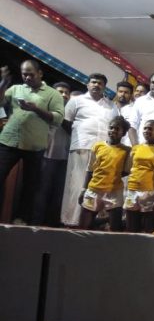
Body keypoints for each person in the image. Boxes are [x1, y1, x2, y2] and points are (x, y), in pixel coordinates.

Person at [0, 60, 64, 225]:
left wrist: (35, 109)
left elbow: (57, 118)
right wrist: (3, 84)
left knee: (30, 186)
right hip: (8, 141)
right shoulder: (15, 89)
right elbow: (1, 104)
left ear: (40, 73)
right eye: (24, 74)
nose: (27, 77)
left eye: (30, 74)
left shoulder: (52, 94)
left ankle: (21, 219)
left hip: (34, 146)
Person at [60, 73, 120, 227]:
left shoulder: (111, 106)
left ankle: (93, 222)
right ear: (87, 85)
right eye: (93, 82)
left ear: (104, 87)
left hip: (103, 153)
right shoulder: (76, 101)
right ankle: (71, 221)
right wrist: (78, 135)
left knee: (98, 187)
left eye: (100, 83)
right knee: (76, 185)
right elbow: (66, 122)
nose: (96, 85)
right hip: (81, 146)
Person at [78, 116, 131, 231]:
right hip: (94, 190)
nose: (113, 131)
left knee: (114, 229)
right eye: (111, 128)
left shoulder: (127, 151)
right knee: (83, 227)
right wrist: (83, 189)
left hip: (114, 192)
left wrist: (111, 175)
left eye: (117, 129)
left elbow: (126, 171)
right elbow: (90, 169)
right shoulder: (98, 146)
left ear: (124, 133)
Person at [34, 81, 71, 226]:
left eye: (66, 93)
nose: (64, 95)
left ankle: (52, 224)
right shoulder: (42, 107)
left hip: (64, 158)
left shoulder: (71, 111)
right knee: (41, 191)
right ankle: (35, 222)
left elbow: (72, 130)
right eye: (60, 91)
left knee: (58, 194)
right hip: (44, 156)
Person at [124, 120, 154, 233]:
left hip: (151, 190)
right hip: (133, 189)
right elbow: (128, 168)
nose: (146, 131)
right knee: (131, 226)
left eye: (150, 128)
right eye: (145, 128)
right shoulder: (135, 148)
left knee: (149, 227)